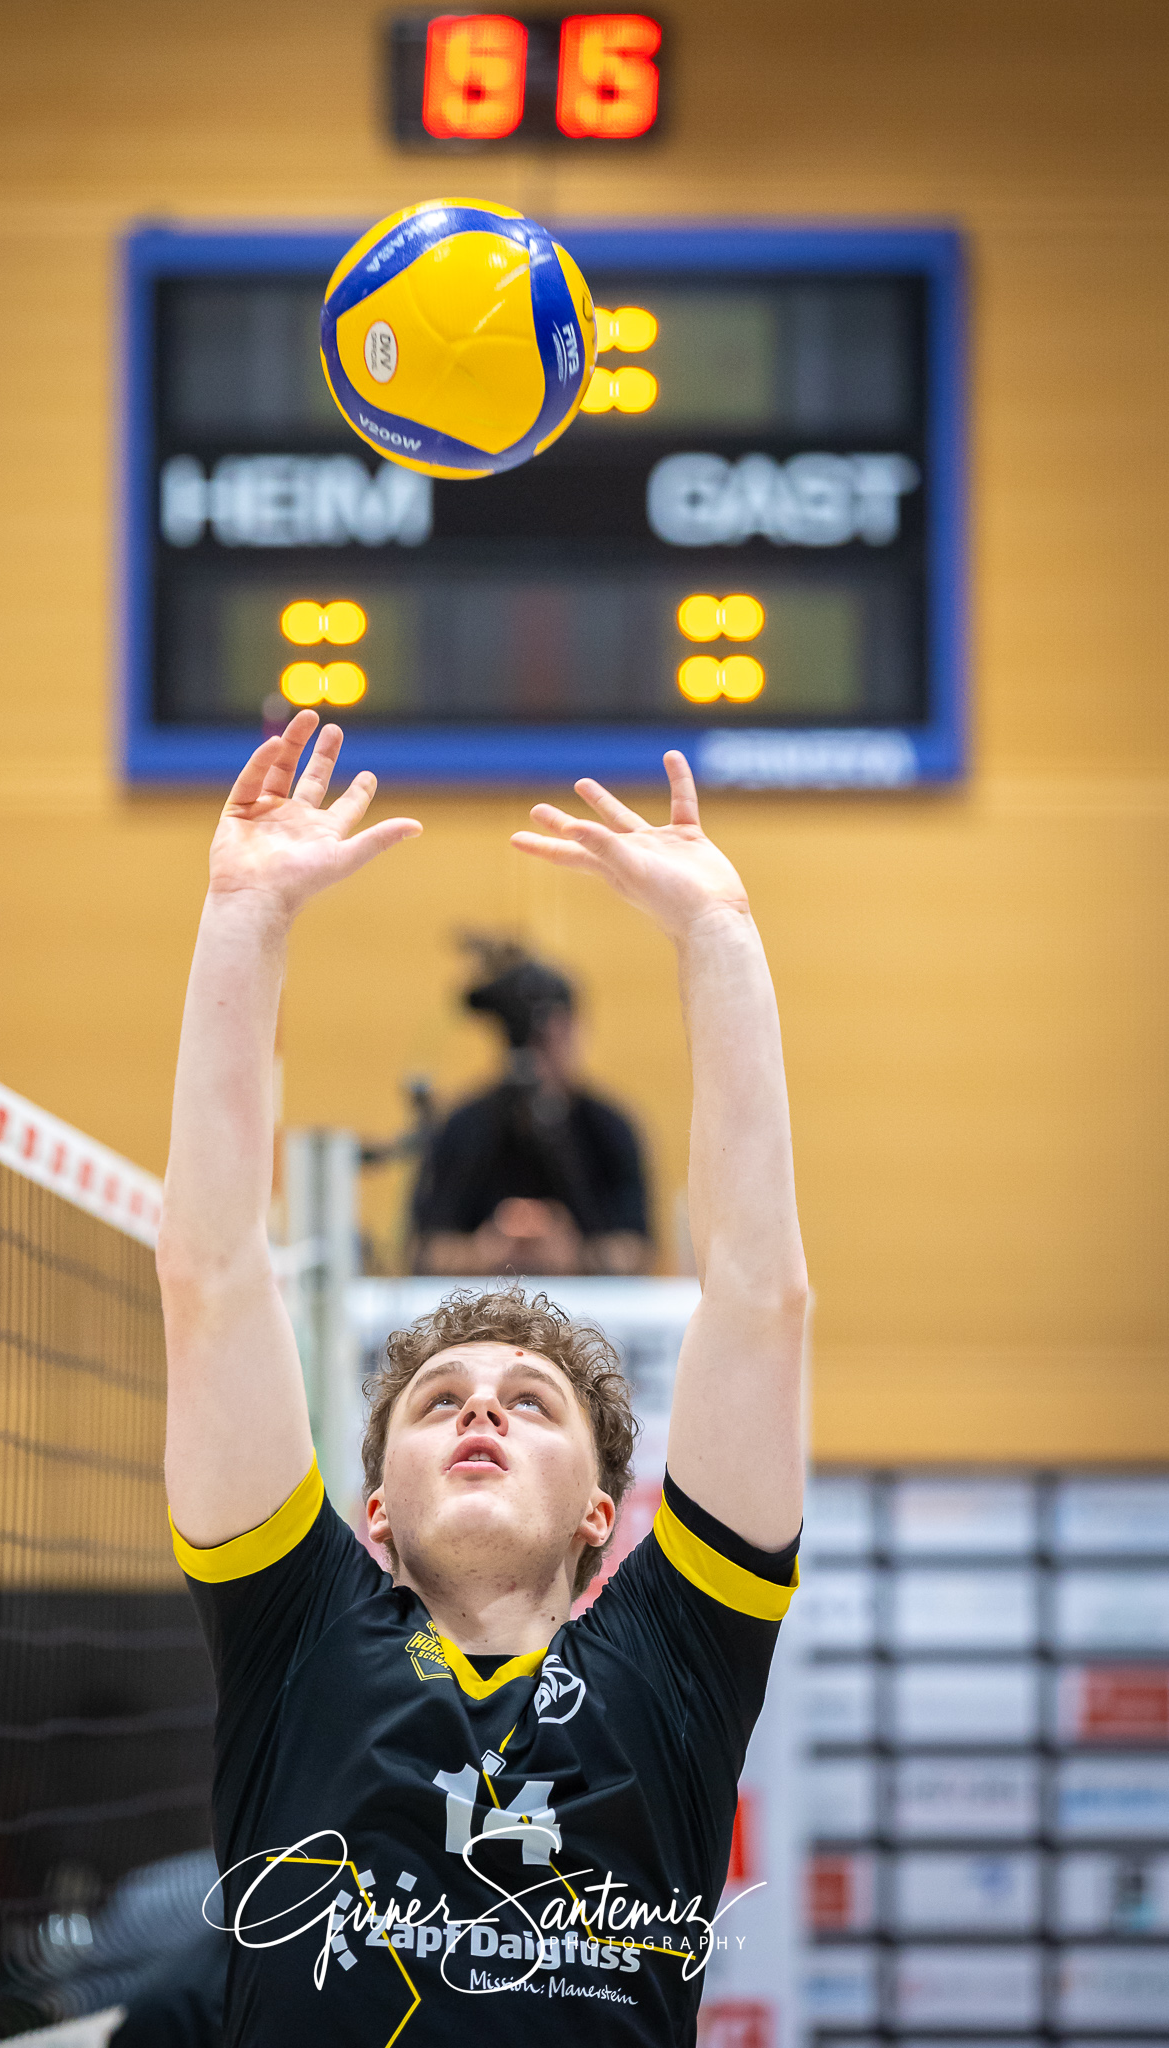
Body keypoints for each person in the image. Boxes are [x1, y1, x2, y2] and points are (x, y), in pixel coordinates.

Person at [157, 709, 807, 2046]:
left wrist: (719, 941)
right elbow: (215, 1278)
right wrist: (242, 917)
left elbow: (760, 1302)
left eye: (531, 1402)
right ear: (373, 1508)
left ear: (598, 1518)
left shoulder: (676, 1668)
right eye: (439, 1401)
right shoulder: (299, 1640)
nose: (480, 1412)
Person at [410, 944, 652, 1277]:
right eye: (537, 1037)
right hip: (479, 1313)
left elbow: (640, 1251)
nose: (547, 1047)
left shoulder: (607, 1126)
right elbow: (420, 1251)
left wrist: (574, 1253)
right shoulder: (467, 1125)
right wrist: (484, 1252)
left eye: (557, 1031)